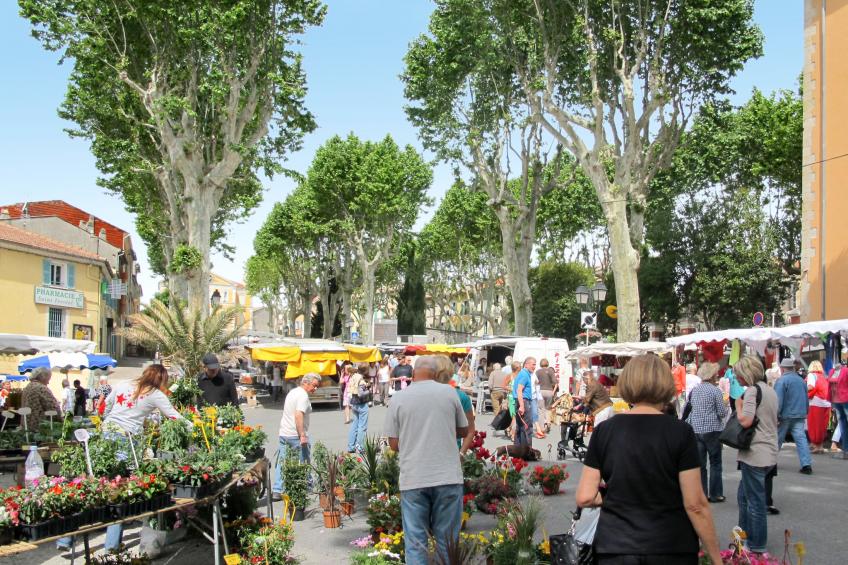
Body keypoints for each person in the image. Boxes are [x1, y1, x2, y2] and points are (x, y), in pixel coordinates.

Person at [575, 354, 722, 565]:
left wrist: (613, 496)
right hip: (671, 545)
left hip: (616, 546)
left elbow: (585, 497)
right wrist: (716, 558)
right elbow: (695, 504)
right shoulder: (681, 432)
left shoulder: (604, 431)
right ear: (666, 385)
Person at [58, 364, 190, 552]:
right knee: (121, 491)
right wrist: (197, 426)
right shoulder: (155, 394)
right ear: (162, 379)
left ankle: (66, 540)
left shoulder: (123, 384)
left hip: (106, 436)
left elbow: (105, 407)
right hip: (127, 442)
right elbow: (174, 416)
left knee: (94, 485)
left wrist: (109, 423)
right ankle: (111, 545)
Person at [385, 356, 468, 565]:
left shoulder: (399, 398)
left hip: (414, 477)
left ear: (413, 373)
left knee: (415, 542)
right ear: (434, 373)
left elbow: (394, 444)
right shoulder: (449, 393)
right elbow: (464, 429)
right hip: (447, 476)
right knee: (447, 540)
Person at [734, 355, 779, 555]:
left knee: (754, 501)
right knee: (744, 496)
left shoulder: (753, 391)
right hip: (768, 450)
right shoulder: (770, 390)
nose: (738, 379)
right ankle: (742, 537)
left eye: (739, 375)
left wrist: (738, 405)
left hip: (755, 452)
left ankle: (756, 544)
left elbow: (745, 421)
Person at [273, 373, 320, 500]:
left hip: (284, 432)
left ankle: (277, 489)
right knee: (303, 460)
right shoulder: (303, 396)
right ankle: (306, 486)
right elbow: (298, 415)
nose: (315, 389)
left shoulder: (293, 392)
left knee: (282, 461)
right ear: (306, 383)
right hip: (295, 434)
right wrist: (302, 435)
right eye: (314, 386)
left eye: (317, 387)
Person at [686, 362, 729, 503]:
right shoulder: (715, 391)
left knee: (701, 464)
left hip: (696, 429)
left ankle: (702, 493)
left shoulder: (695, 390)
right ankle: (716, 494)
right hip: (712, 430)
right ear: (712, 376)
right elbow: (722, 413)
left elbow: (690, 409)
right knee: (715, 463)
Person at [774, 357, 812, 474]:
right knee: (801, 439)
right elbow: (806, 398)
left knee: (777, 439)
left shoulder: (781, 381)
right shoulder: (801, 380)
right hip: (799, 414)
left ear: (783, 368)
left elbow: (778, 400)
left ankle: (770, 462)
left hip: (785, 414)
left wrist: (776, 414)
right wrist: (805, 411)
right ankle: (806, 465)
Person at [436, 356, 475, 455]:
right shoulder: (461, 395)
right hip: (452, 452)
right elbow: (470, 430)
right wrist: (461, 453)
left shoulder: (422, 394)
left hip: (426, 454)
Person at [21, 367, 60, 431]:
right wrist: (60, 421)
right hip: (40, 429)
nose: (48, 382)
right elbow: (54, 408)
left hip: (27, 428)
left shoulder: (27, 388)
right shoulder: (41, 388)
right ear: (43, 377)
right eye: (48, 379)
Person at [805, 360, 830, 454]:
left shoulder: (812, 375)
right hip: (826, 402)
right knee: (822, 425)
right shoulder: (824, 376)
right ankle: (820, 445)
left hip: (816, 402)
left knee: (814, 424)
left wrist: (803, 389)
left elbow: (810, 387)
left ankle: (816, 445)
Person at [347, 363, 371, 453]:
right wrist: (368, 390)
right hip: (362, 404)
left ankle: (351, 446)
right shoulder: (361, 379)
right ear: (365, 370)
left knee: (354, 425)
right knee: (362, 427)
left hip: (354, 403)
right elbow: (361, 394)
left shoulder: (354, 376)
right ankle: (360, 447)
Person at [512, 357, 536, 447]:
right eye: (533, 364)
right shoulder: (525, 375)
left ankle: (518, 450)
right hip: (524, 401)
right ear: (526, 364)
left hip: (520, 401)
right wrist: (522, 406)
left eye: (535, 364)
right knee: (527, 427)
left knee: (520, 427)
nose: (534, 366)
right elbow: (519, 390)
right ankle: (527, 450)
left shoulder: (523, 374)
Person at [827, 361, 848, 459]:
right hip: (836, 400)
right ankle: (846, 450)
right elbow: (830, 387)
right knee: (843, 426)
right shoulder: (832, 371)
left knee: (844, 425)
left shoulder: (846, 371)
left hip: (845, 400)